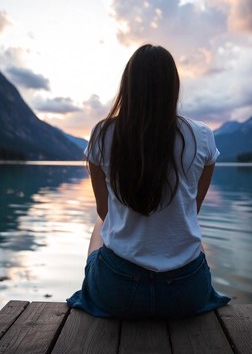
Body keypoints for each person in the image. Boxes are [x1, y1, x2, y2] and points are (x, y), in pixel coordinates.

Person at [67, 44, 230, 319]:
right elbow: (193, 210)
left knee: (99, 224)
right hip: (186, 292)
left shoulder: (102, 134)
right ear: (173, 87)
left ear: (128, 85)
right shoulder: (202, 136)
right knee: (187, 227)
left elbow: (104, 211)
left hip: (118, 291)